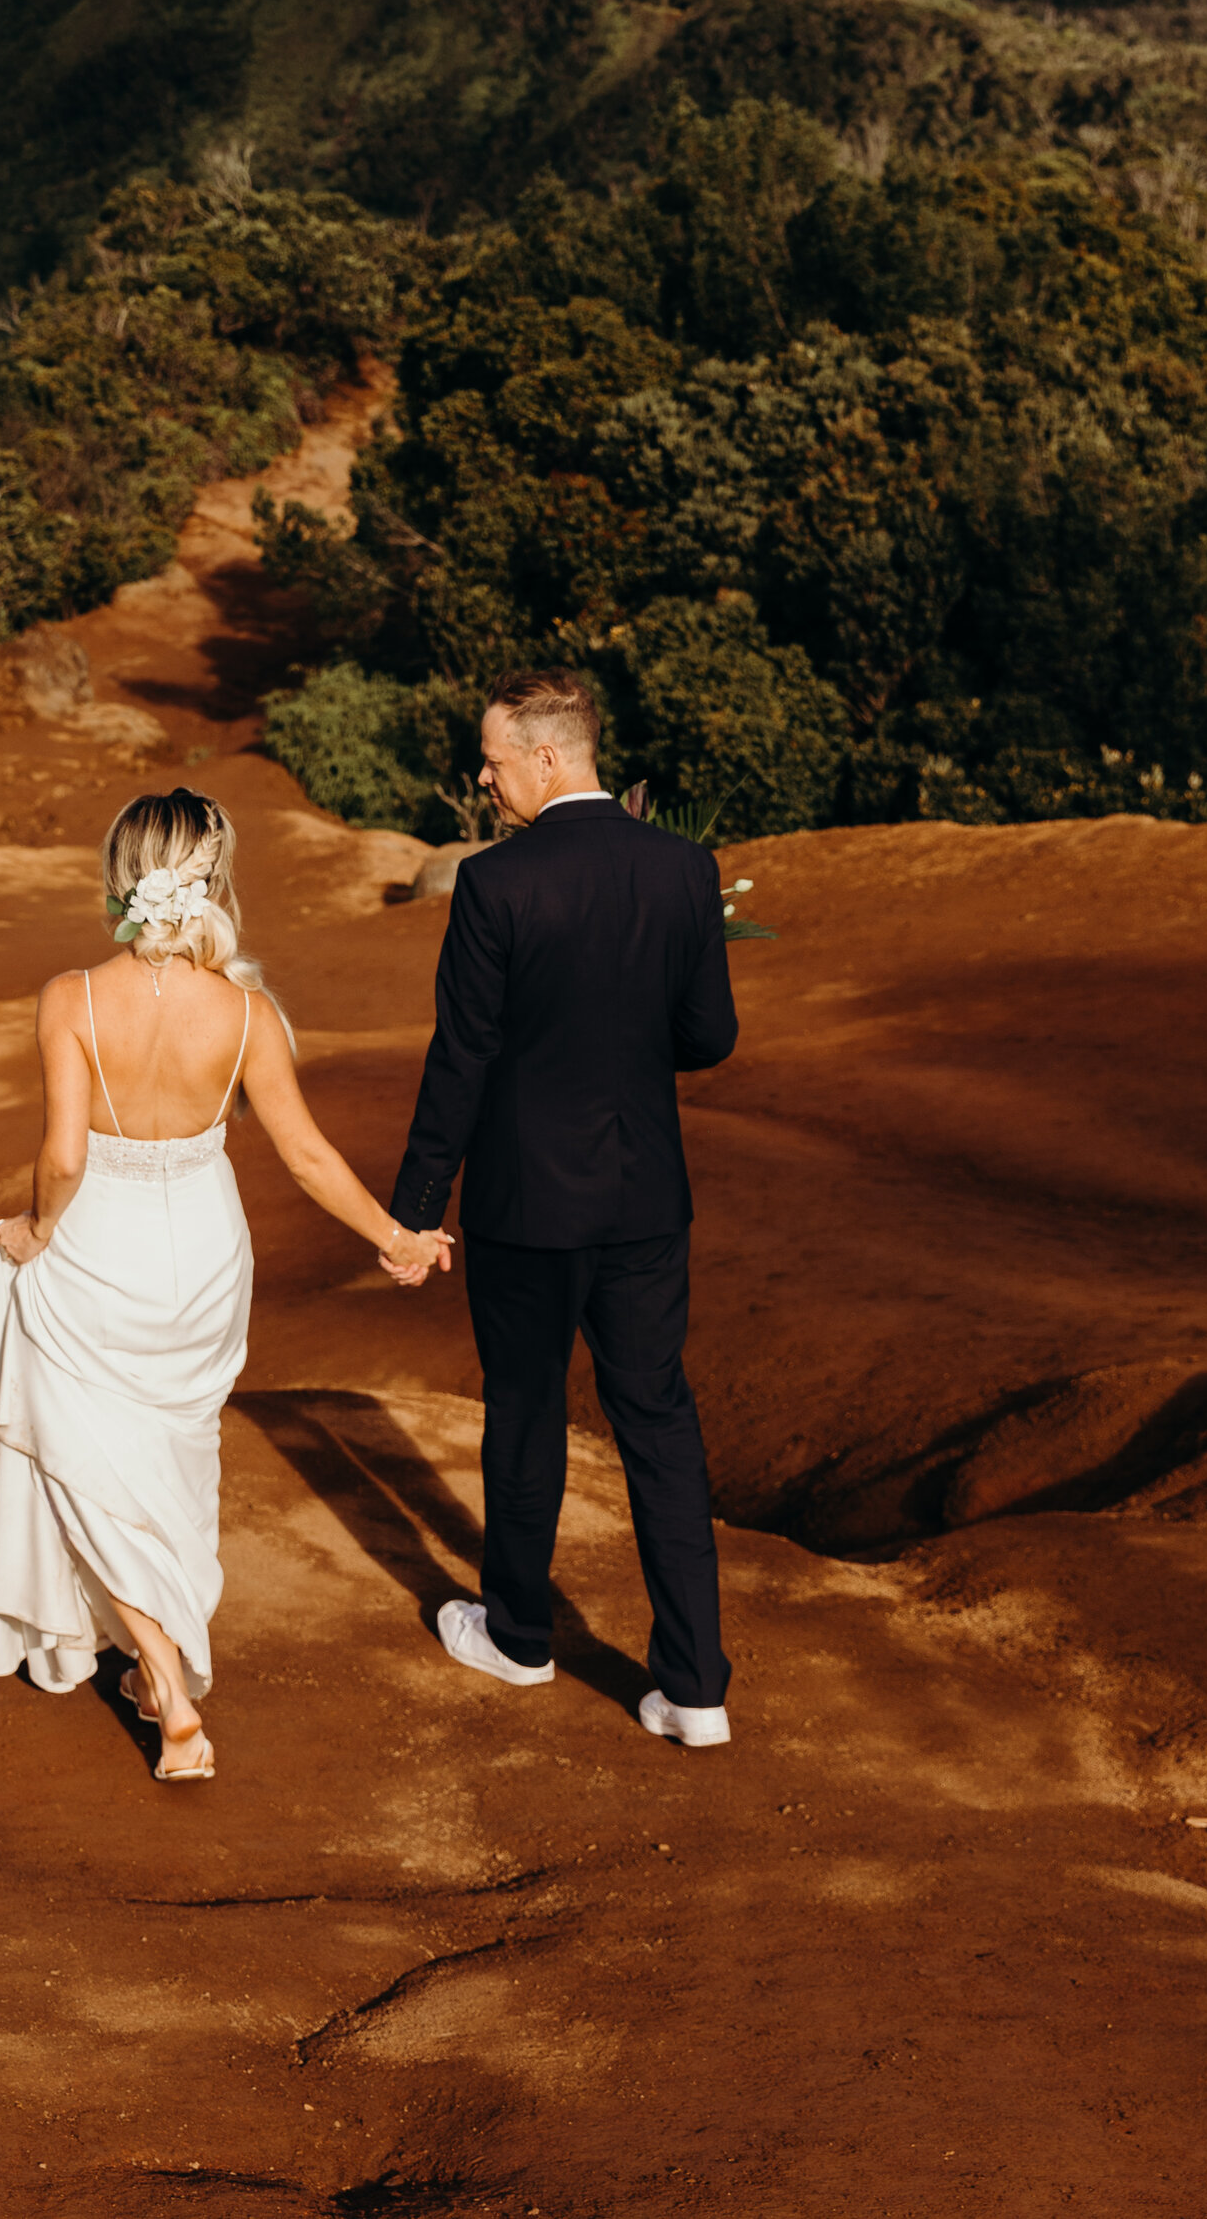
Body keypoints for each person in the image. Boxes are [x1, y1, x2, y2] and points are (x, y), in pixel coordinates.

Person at [0, 786, 448, 1783]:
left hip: (98, 1241)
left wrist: (35, 1228)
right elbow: (309, 1157)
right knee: (173, 1460)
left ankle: (168, 1690)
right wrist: (396, 1237)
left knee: (91, 1467)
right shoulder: (247, 1014)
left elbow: (63, 1157)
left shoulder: (69, 997)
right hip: (199, 1253)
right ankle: (159, 1667)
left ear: (121, 879)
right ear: (212, 878)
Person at [388, 669, 740, 1746]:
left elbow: (462, 1060)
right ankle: (694, 1692)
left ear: (548, 757)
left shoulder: (492, 886)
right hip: (643, 1199)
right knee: (659, 1425)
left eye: (492, 758)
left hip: (524, 1202)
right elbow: (709, 1037)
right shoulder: (683, 870)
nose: (483, 777)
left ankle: (521, 1640)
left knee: (527, 1414)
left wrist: (412, 1211)